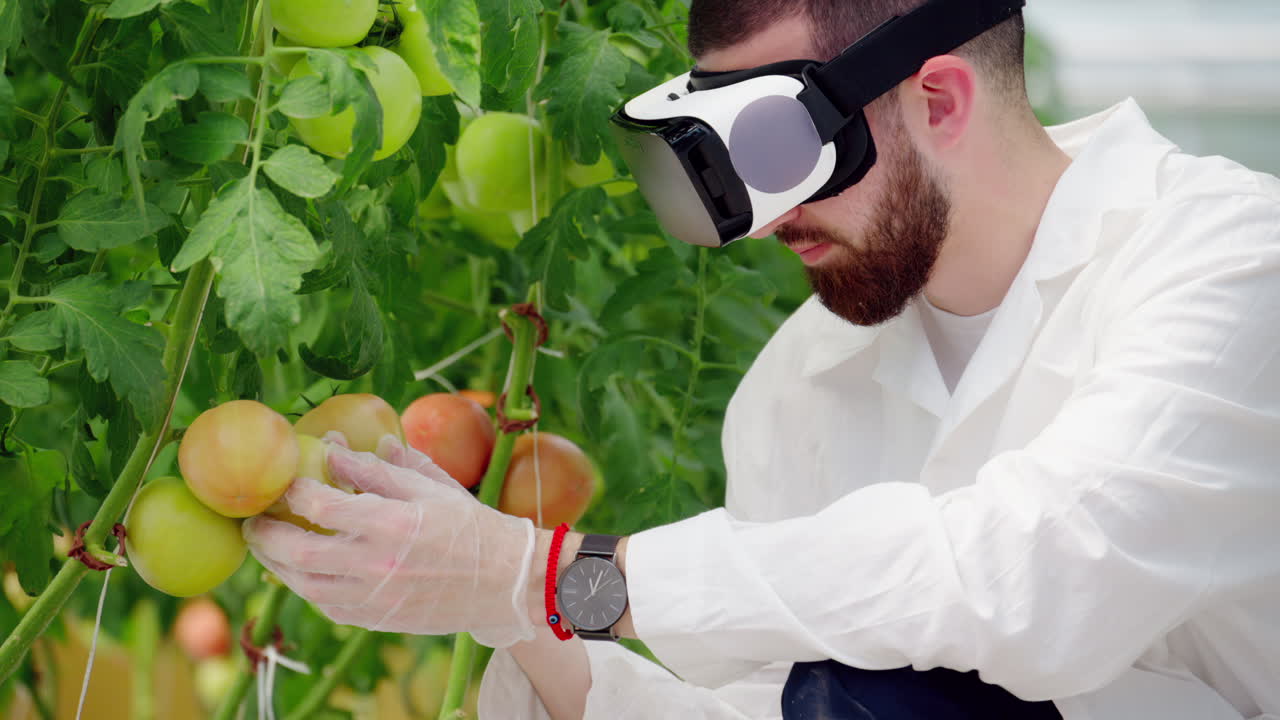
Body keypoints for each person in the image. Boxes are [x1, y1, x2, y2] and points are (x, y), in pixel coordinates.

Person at [242, 1, 1280, 718]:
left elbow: (1032, 578)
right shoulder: (798, 388)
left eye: (778, 152)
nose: (756, 223)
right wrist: (498, 602)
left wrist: (551, 578)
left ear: (941, 99)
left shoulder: (1226, 261)